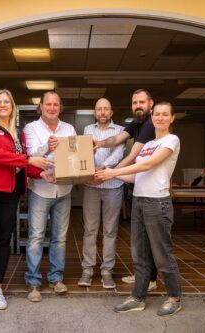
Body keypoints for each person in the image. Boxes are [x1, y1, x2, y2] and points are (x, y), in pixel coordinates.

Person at [0, 89, 52, 312]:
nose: (3, 105)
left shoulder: (17, 133)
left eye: (7, 102)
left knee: (3, 241)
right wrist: (28, 158)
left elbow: (20, 165)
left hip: (9, 193)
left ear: (12, 106)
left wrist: (40, 173)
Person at [95, 101, 182, 316]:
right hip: (139, 201)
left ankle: (174, 297)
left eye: (165, 115)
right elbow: (136, 175)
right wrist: (102, 176)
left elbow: (147, 165)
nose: (160, 118)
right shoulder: (150, 142)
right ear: (152, 117)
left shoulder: (172, 140)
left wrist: (112, 172)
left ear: (172, 118)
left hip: (157, 203)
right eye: (157, 114)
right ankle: (138, 296)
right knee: (140, 254)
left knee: (162, 255)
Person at [94, 88, 158, 292]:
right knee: (140, 236)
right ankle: (143, 276)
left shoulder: (149, 125)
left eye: (141, 102)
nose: (137, 106)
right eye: (134, 102)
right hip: (139, 185)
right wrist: (99, 143)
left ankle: (152, 280)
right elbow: (116, 139)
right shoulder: (137, 123)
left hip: (152, 188)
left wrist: (110, 173)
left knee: (151, 239)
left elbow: (132, 156)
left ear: (151, 104)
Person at [23, 91, 77, 302]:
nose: (52, 108)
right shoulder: (31, 128)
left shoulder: (69, 128)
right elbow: (30, 156)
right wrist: (48, 147)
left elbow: (74, 155)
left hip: (64, 190)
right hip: (40, 189)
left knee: (60, 238)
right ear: (41, 106)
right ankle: (34, 282)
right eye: (48, 104)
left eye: (56, 104)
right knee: (36, 237)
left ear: (60, 107)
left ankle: (56, 279)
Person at [78, 98, 125, 289]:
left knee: (110, 231)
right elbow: (83, 154)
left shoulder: (121, 131)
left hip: (113, 185)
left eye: (106, 109)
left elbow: (119, 153)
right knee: (89, 230)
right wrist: (89, 173)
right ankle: (87, 271)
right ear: (95, 112)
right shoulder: (88, 130)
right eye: (99, 109)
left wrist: (102, 169)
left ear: (111, 112)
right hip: (91, 186)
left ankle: (107, 272)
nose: (103, 112)